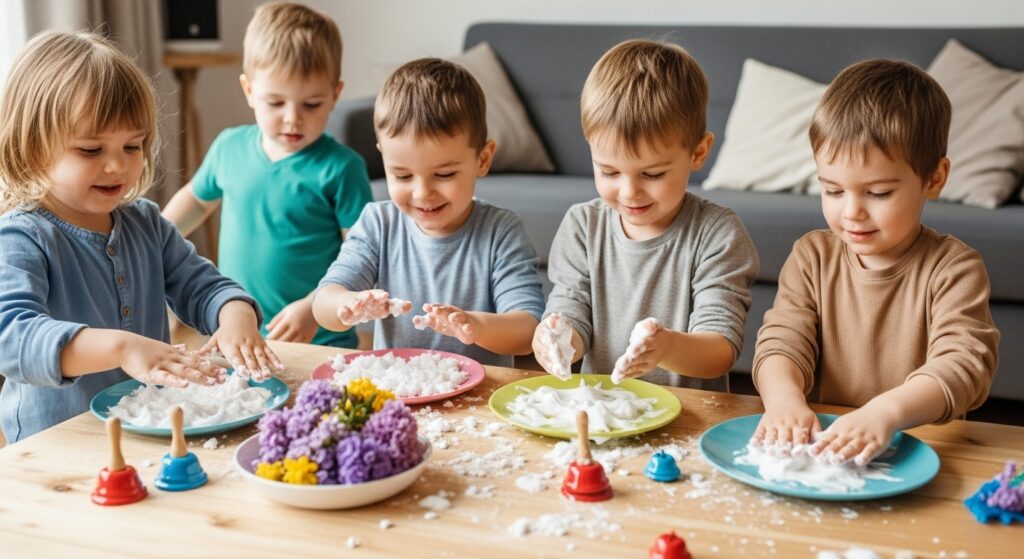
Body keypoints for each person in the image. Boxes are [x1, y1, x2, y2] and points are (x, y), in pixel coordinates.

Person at [0, 31, 280, 442]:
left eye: (133, 146)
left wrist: (234, 314)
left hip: (146, 432)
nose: (117, 165)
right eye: (91, 150)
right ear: (33, 147)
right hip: (56, 446)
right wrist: (121, 348)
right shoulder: (23, 236)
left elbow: (203, 286)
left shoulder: (145, 222)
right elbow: (11, 336)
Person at [752, 59, 1000, 465]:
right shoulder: (812, 256)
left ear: (934, 179)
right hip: (827, 452)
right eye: (832, 190)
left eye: (879, 193)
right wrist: (783, 400)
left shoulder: (954, 268)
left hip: (922, 454)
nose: (851, 212)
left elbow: (964, 364)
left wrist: (885, 413)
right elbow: (782, 341)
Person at [531, 39, 758, 388]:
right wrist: (557, 339)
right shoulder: (582, 225)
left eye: (652, 174)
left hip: (691, 419)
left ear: (698, 153)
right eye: (608, 172)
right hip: (606, 414)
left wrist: (666, 348)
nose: (628, 192)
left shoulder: (718, 233)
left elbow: (721, 350)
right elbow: (571, 312)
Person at [162, 2, 373, 348]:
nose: (293, 118)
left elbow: (362, 255)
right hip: (239, 337)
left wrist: (313, 307)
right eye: (276, 103)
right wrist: (153, 242)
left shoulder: (342, 168)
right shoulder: (229, 147)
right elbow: (196, 201)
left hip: (320, 341)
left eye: (311, 104)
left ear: (335, 95)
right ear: (249, 91)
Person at [312, 58, 545, 367]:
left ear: (483, 159)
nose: (422, 193)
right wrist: (347, 304)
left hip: (478, 400)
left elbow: (528, 329)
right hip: (398, 393)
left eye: (444, 175)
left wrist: (474, 327)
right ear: (383, 158)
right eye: (403, 176)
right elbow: (323, 302)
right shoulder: (377, 224)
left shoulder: (501, 232)